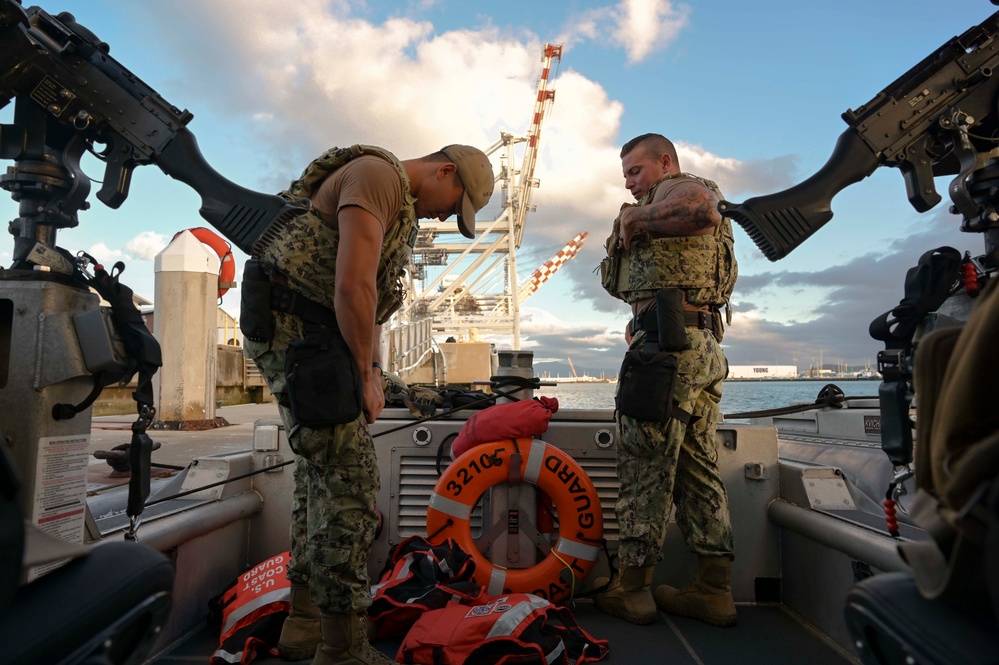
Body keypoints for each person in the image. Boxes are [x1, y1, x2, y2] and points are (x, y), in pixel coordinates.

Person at [241, 144, 494, 664]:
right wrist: (361, 375)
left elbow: (373, 301)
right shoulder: (377, 176)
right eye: (455, 204)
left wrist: (374, 372)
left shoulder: (399, 207)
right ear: (445, 170)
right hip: (299, 334)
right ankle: (341, 649)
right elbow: (351, 287)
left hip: (319, 337)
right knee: (351, 484)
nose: (448, 215)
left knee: (321, 478)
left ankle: (306, 621)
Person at [594, 133, 738, 627]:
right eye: (626, 176)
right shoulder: (664, 197)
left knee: (644, 466)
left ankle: (632, 590)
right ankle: (713, 589)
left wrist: (635, 218)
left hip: (666, 358)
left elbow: (704, 209)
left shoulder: (684, 189)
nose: (630, 184)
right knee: (698, 468)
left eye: (636, 171)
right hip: (694, 349)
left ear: (665, 162)